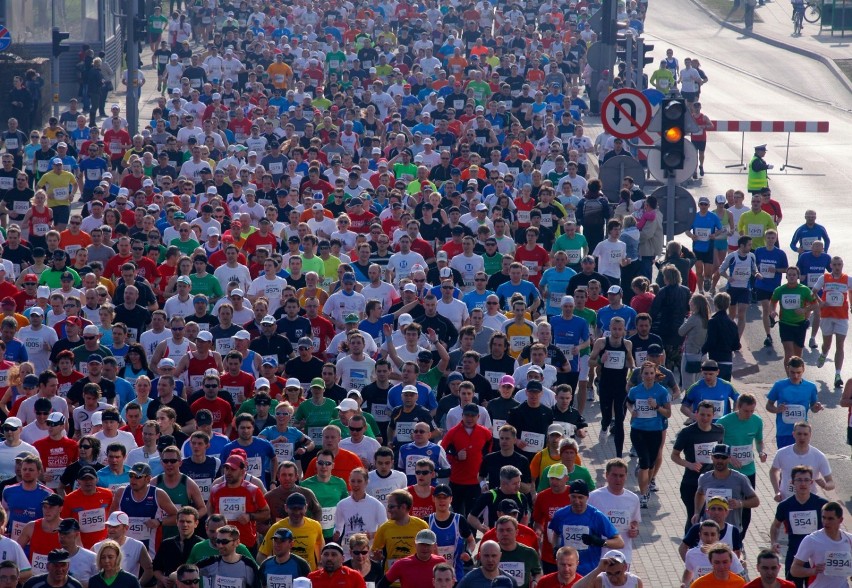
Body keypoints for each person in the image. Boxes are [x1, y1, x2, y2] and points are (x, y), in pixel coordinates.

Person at [547, 480, 624, 577]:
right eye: (573, 497)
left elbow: (620, 542)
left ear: (587, 498)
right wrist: (555, 548)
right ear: (569, 496)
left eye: (580, 497)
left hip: (589, 573)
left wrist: (600, 542)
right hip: (567, 573)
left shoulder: (596, 516)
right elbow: (556, 534)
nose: (577, 501)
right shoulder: (560, 515)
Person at [671, 401, 725, 533]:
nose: (705, 418)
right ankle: (689, 546)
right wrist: (689, 464)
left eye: (708, 415)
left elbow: (720, 454)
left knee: (712, 519)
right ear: (696, 414)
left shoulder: (719, 431)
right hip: (691, 483)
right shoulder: (687, 433)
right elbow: (674, 455)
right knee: (694, 516)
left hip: (712, 483)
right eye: (702, 414)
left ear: (713, 415)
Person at [769, 465, 827, 588]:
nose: (803, 483)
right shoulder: (785, 505)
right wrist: (773, 542)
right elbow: (775, 526)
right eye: (799, 480)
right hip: (795, 554)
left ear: (811, 482)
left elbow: (832, 527)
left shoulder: (822, 504)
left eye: (806, 480)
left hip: (816, 556)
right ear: (792, 482)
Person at [626, 362, 671, 507]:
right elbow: (629, 402)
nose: (649, 376)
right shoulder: (635, 390)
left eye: (652, 373)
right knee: (644, 462)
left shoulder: (662, 391)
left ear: (655, 374)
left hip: (655, 431)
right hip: (638, 430)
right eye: (646, 373)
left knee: (651, 464)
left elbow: (668, 413)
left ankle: (646, 483)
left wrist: (656, 407)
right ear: (642, 375)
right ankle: (643, 493)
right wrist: (632, 410)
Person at [588, 317, 634, 458]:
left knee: (619, 420)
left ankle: (619, 455)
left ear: (624, 331)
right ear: (610, 328)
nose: (616, 332)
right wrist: (600, 362)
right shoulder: (601, 343)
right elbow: (590, 361)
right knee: (607, 417)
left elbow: (630, 362)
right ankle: (603, 427)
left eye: (620, 329)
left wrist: (632, 374)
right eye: (614, 329)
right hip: (606, 384)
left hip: (621, 386)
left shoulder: (627, 344)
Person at [790, 502, 852, 588]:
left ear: (840, 520)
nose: (826, 522)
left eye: (830, 519)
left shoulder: (849, 539)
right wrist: (813, 571)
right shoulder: (811, 540)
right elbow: (794, 570)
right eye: (824, 518)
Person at [769, 422, 834, 504]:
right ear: (793, 434)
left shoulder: (819, 456)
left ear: (810, 435)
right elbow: (773, 471)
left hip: (809, 502)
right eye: (799, 434)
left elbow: (831, 482)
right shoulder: (782, 453)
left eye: (805, 434)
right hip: (787, 500)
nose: (802, 437)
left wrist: (825, 486)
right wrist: (777, 491)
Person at [765, 357, 822, 449]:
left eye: (798, 372)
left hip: (802, 433)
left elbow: (813, 407)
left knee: (801, 462)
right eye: (792, 372)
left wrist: (816, 408)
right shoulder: (779, 385)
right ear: (788, 369)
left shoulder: (810, 387)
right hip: (784, 432)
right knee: (785, 462)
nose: (795, 376)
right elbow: (768, 405)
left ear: (803, 369)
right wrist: (777, 409)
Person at [812, 256, 852, 388]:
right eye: (834, 264)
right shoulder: (824, 278)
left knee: (840, 345)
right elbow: (814, 291)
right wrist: (820, 302)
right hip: (827, 316)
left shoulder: (848, 279)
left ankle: (837, 375)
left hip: (842, 317)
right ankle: (823, 354)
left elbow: (851, 292)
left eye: (839, 264)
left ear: (842, 265)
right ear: (831, 265)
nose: (836, 267)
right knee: (827, 345)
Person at [196, 525, 261, 588]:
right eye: (218, 541)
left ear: (237, 542)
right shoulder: (211, 562)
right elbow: (188, 573)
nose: (220, 545)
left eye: (224, 542)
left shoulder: (248, 565)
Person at [378, 529, 445, 588]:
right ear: (415, 545)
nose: (425, 548)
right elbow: (382, 584)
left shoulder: (440, 562)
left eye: (428, 545)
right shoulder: (401, 564)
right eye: (421, 544)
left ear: (434, 546)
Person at [570, 550, 642, 588]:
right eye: (609, 574)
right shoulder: (600, 580)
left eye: (617, 573)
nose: (614, 579)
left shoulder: (635, 582)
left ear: (625, 567)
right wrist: (598, 569)